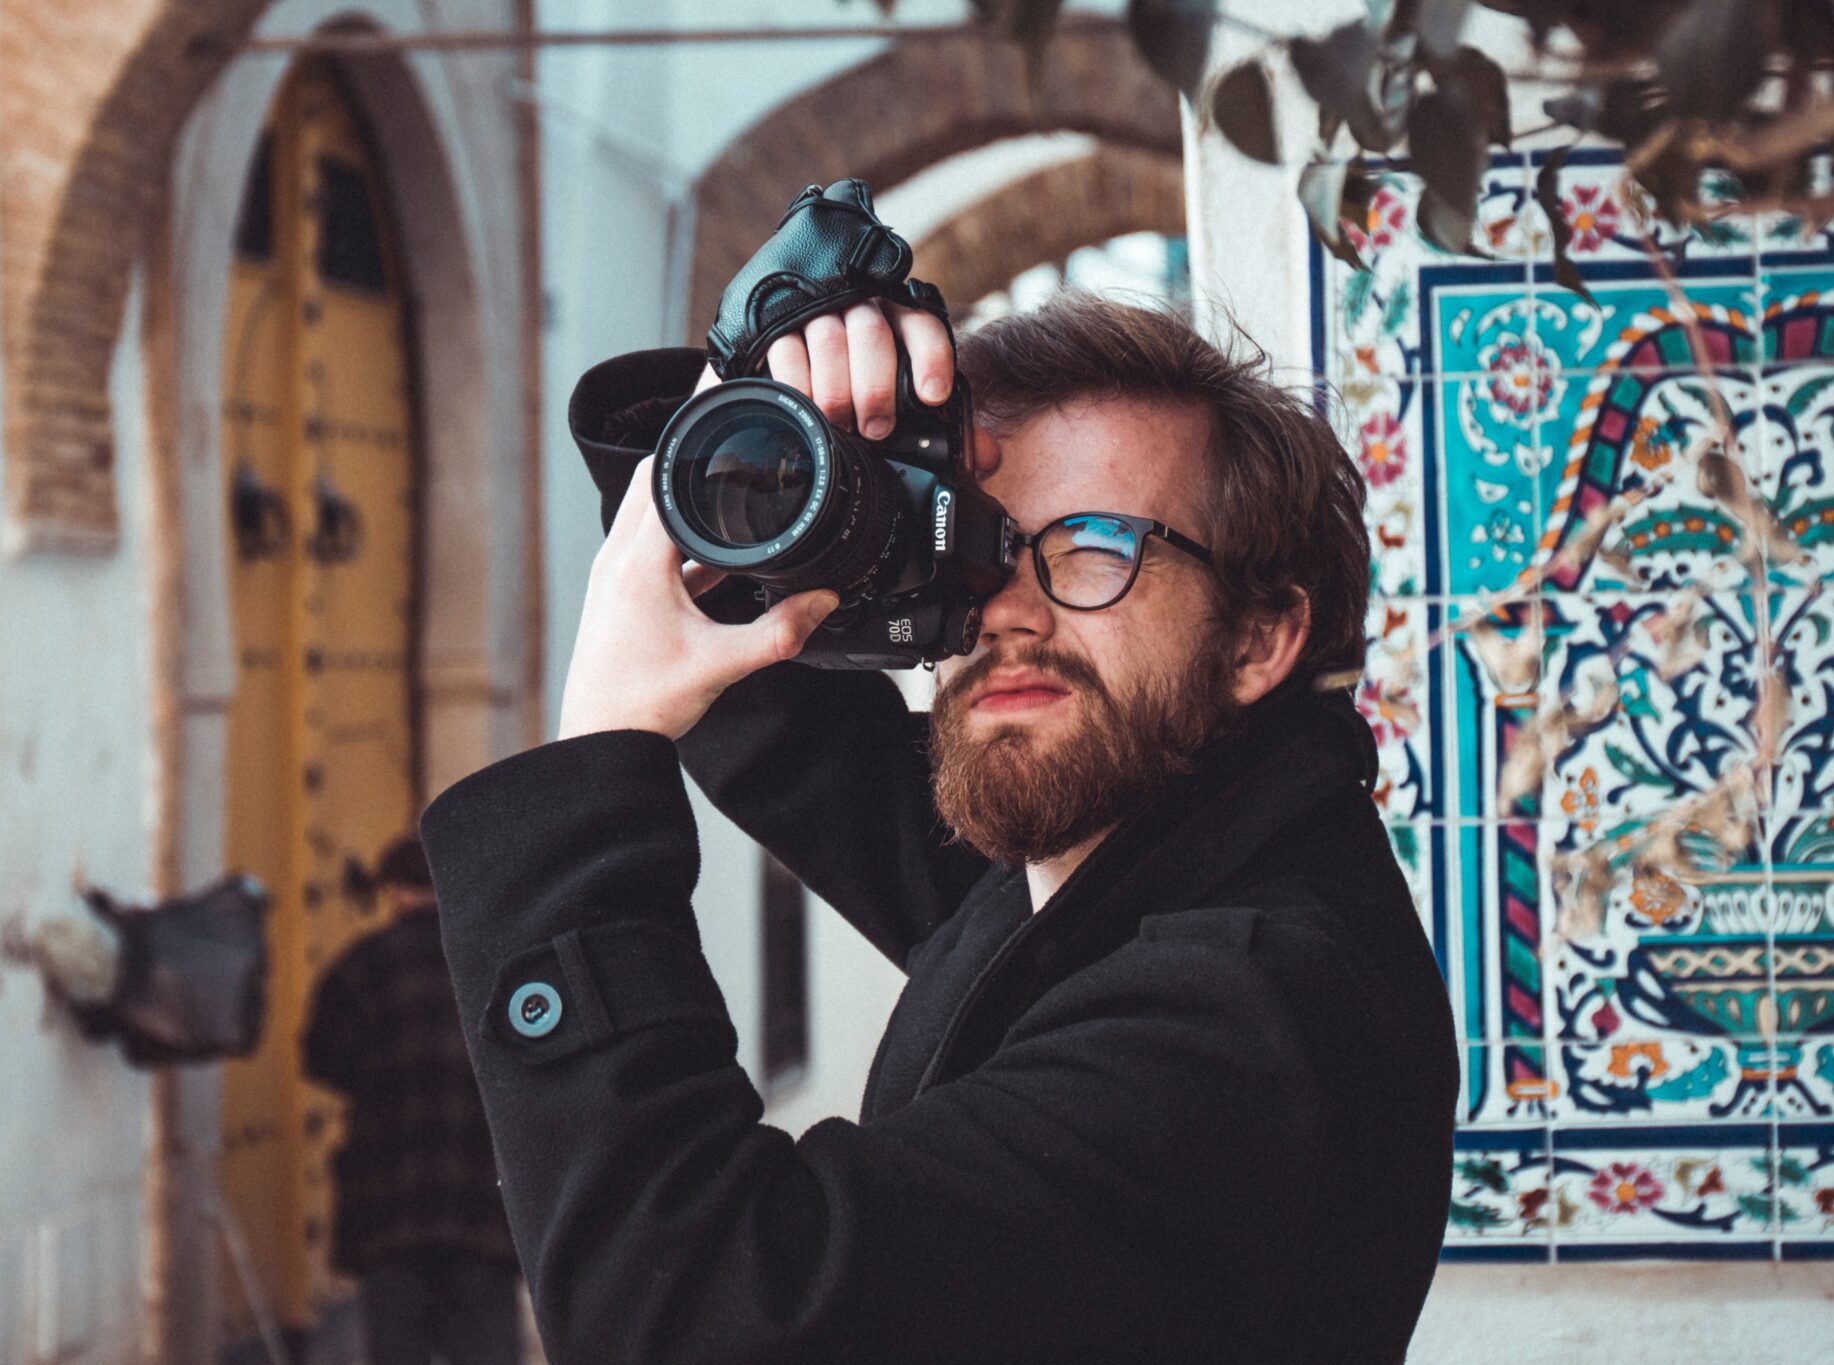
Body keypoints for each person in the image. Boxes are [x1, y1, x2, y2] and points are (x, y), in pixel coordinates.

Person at [421, 240, 1457, 1361]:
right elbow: (793, 733)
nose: (1005, 609)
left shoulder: (1244, 1019)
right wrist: (750, 395)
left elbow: (695, 1310)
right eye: (982, 547)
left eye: (1095, 546)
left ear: (1257, 638)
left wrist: (602, 737)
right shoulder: (1111, 849)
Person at [302, 835, 522, 1365]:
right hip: (481, 1204)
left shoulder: (361, 967)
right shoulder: (495, 966)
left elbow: (321, 1059)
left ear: (394, 889)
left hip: (389, 1204)